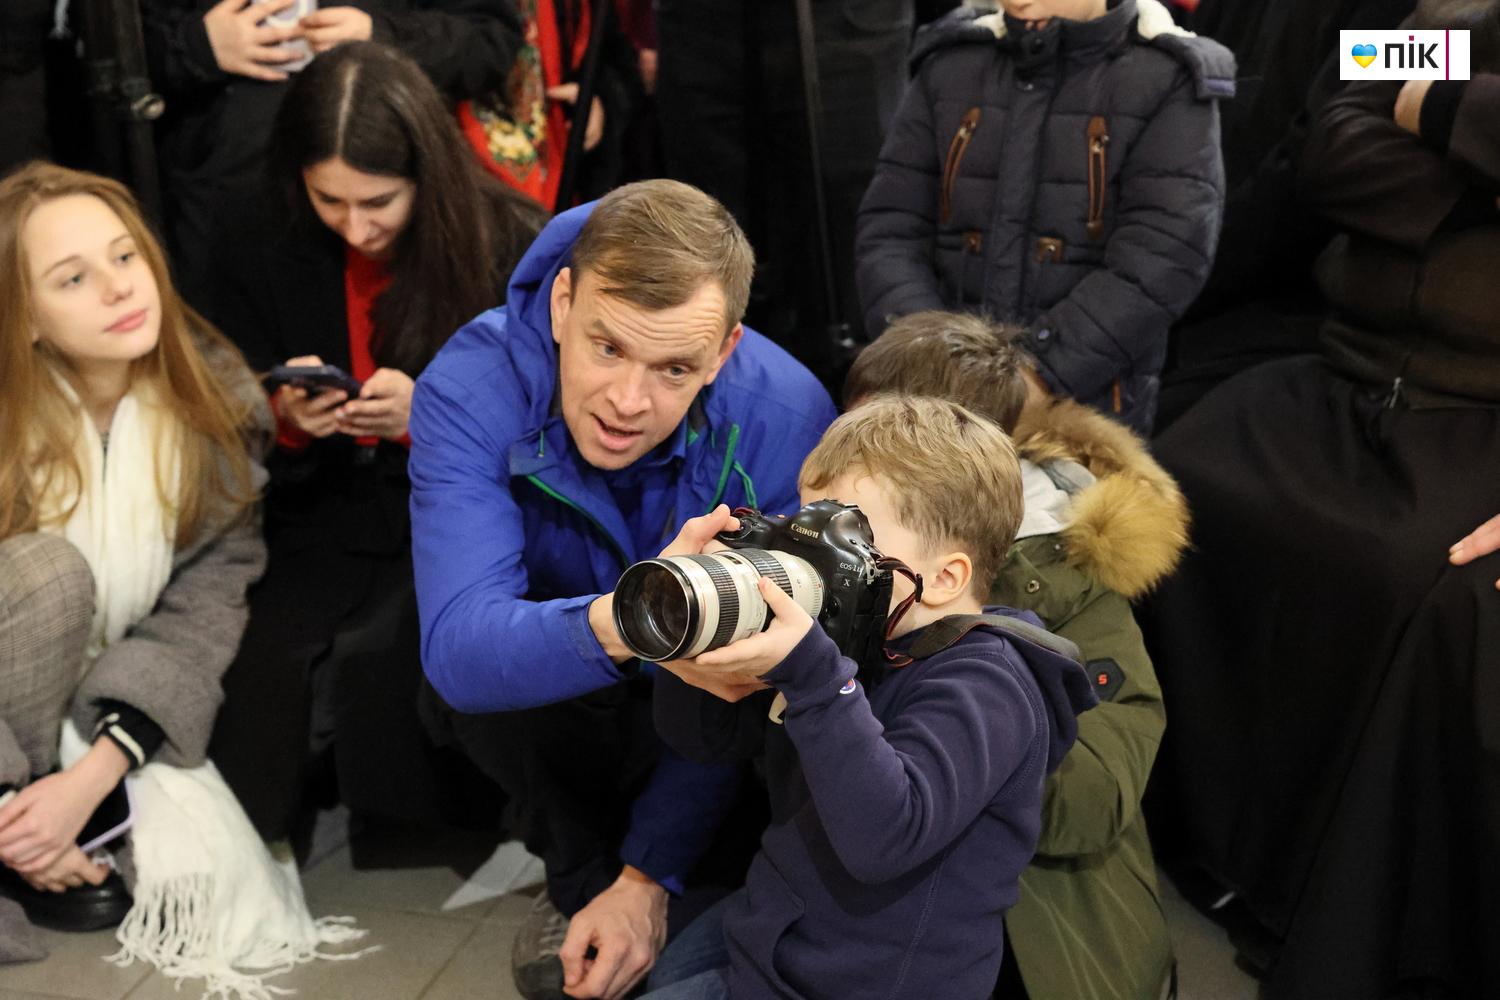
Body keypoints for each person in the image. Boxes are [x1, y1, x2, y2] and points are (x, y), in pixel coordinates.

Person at [1139, 4, 1500, 993]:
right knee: (1183, 477)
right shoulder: (1448, 20)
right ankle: (1196, 842)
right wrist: (1474, 168)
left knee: (1409, 573)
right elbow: (1334, 131)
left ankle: (1326, 897)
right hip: (1346, 372)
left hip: (1479, 414)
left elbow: (1381, 127)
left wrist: (1423, 122)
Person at [408, 178, 836, 999]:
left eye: (675, 367)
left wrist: (650, 877)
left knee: (762, 687)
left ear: (726, 351)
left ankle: (649, 887)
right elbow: (459, 653)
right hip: (562, 683)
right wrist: (641, 622)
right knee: (463, 679)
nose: (628, 401)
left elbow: (757, 682)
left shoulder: (784, 416)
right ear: (563, 302)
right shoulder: (469, 387)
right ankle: (577, 885)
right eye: (607, 347)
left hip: (712, 710)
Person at [0, 164, 361, 992]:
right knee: (44, 575)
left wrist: (90, 777)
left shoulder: (212, 404)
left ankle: (54, 821)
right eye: (73, 278)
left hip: (90, 692)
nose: (119, 289)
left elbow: (200, 607)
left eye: (126, 256)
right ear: (24, 320)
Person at [205, 41, 548, 848]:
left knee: (392, 657)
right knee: (257, 659)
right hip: (324, 496)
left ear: (426, 178)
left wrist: (431, 417)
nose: (354, 227)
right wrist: (287, 413)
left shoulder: (508, 241)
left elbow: (552, 435)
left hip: (462, 508)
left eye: (378, 203)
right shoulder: (257, 234)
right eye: (330, 200)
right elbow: (226, 392)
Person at [639, 396, 1096, 1000]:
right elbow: (701, 740)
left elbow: (887, 836)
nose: (810, 564)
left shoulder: (991, 684)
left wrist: (816, 680)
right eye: (808, 528)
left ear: (945, 578)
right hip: (781, 932)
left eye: (845, 541)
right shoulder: (852, 641)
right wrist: (693, 637)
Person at [840, 311, 1187, 1000]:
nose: (858, 460)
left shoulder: (1071, 581)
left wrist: (942, 734)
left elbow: (1093, 798)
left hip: (1037, 930)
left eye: (893, 447)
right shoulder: (851, 539)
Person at [856, 0, 1234, 433]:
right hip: (929, 406)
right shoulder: (949, 62)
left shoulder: (1165, 77)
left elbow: (1164, 255)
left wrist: (1036, 376)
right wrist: (928, 362)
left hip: (1081, 408)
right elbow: (890, 227)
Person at [139, 0, 524, 319]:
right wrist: (197, 47)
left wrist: (382, 37)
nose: (357, 229)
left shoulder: (511, 237)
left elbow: (491, 39)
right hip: (223, 211)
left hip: (405, 217)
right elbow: (104, 66)